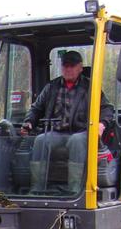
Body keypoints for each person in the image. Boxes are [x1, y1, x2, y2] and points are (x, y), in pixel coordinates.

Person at [20, 50, 115, 193]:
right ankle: (37, 189)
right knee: (40, 140)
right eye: (65, 65)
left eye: (72, 65)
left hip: (81, 132)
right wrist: (29, 122)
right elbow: (36, 108)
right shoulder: (52, 87)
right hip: (57, 132)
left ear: (80, 67)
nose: (68, 69)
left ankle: (74, 190)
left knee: (76, 141)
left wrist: (102, 125)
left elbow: (107, 109)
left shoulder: (90, 88)